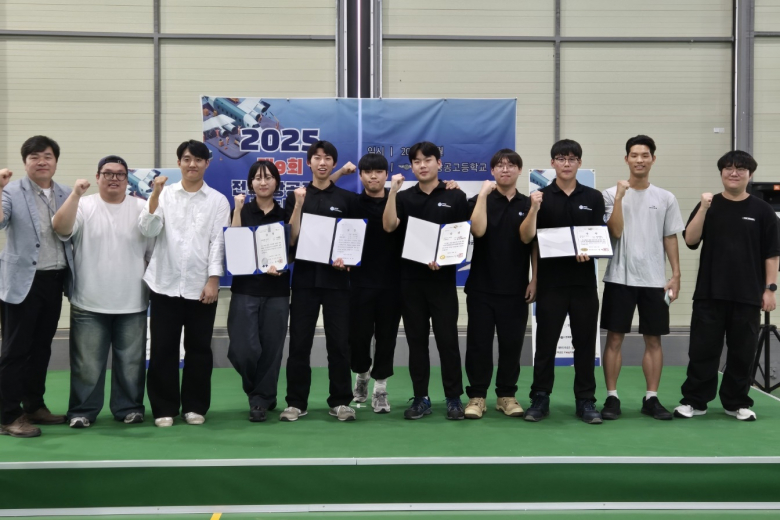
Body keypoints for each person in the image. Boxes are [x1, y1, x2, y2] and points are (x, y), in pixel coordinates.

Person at [675, 150, 779, 422]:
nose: (734, 173)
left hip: (747, 295)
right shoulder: (709, 205)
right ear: (721, 173)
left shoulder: (763, 211)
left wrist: (770, 289)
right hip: (709, 293)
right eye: (729, 168)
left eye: (740, 169)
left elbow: (772, 254)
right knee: (702, 350)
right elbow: (690, 240)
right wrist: (704, 208)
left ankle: (737, 403)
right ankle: (695, 401)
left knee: (742, 353)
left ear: (750, 174)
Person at [52, 155, 153, 428]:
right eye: (107, 173)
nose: (114, 178)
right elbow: (60, 228)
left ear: (127, 179)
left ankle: (129, 408)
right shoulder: (83, 205)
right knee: (86, 364)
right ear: (97, 177)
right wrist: (75, 194)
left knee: (131, 363)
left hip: (133, 301)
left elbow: (152, 252)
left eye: (120, 174)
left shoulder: (142, 208)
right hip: (89, 301)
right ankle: (82, 411)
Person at [138, 140, 230, 427]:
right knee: (162, 349)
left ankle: (194, 406)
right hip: (164, 283)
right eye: (187, 159)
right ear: (179, 162)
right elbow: (148, 229)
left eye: (198, 159)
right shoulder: (164, 195)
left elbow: (218, 243)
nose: (193, 164)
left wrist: (213, 280)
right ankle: (164, 408)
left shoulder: (217, 201)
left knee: (199, 350)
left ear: (207, 164)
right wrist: (155, 193)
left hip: (200, 287)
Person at [383, 141, 470, 420]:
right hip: (411, 281)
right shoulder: (404, 197)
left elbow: (461, 236)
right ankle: (421, 397)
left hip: (442, 281)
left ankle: (454, 398)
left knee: (448, 341)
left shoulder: (456, 196)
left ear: (439, 163)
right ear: (411, 166)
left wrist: (444, 258)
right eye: (416, 161)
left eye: (427, 160)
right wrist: (392, 191)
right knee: (416, 342)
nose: (422, 165)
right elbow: (389, 226)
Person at [520, 139, 605, 424]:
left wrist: (589, 250)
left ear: (579, 163)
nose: (566, 164)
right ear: (552, 163)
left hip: (583, 284)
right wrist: (534, 278)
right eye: (560, 158)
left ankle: (586, 400)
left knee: (585, 345)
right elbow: (531, 241)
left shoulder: (593, 197)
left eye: (571, 159)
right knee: (545, 345)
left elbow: (598, 236)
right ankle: (540, 398)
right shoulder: (540, 197)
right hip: (550, 284)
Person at [600, 135, 684, 421]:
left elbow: (670, 236)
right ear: (626, 159)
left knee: (654, 340)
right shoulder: (609, 194)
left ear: (653, 159)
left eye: (645, 155)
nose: (639, 160)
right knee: (614, 339)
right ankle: (612, 397)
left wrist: (676, 274)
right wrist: (620, 197)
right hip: (619, 279)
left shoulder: (665, 198)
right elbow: (615, 231)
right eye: (634, 155)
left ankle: (651, 398)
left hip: (654, 281)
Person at [0, 136, 74, 438]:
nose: (41, 161)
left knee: (41, 347)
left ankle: (33, 405)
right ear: (25, 162)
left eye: (47, 156)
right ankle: (7, 415)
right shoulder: (10, 191)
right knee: (15, 350)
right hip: (22, 282)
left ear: (55, 161)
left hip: (53, 279)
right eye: (34, 157)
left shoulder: (65, 192)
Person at [280, 140, 358, 422]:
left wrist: (348, 259)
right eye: (317, 157)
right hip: (304, 281)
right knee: (299, 344)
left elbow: (354, 238)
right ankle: (296, 402)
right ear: (309, 162)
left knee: (339, 344)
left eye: (327, 158)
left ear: (333, 163)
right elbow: (292, 239)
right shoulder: (296, 197)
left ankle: (341, 401)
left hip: (337, 283)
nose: (322, 162)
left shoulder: (347, 199)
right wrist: (299, 205)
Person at [464, 149, 536, 419]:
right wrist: (483, 195)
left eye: (511, 165)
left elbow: (533, 244)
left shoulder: (528, 203)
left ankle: (506, 395)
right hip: (481, 287)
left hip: (515, 289)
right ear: (492, 171)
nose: (505, 169)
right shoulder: (478, 200)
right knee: (478, 345)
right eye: (500, 165)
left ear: (519, 170)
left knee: (512, 345)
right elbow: (478, 230)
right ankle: (477, 397)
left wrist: (535, 279)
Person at [227, 160, 290, 423]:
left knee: (272, 349)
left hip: (277, 291)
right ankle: (258, 391)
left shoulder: (284, 214)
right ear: (250, 183)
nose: (263, 182)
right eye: (257, 177)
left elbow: (291, 246)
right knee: (243, 349)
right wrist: (238, 209)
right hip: (245, 289)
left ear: (277, 182)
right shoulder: (242, 210)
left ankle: (261, 400)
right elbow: (234, 245)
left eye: (268, 177)